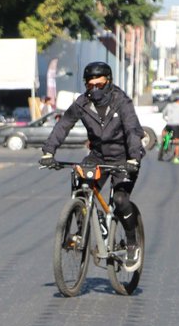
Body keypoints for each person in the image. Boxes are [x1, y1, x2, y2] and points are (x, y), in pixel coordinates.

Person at [39, 60, 145, 269]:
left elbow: (133, 130)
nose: (94, 89)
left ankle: (132, 244)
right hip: (97, 156)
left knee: (121, 200)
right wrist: (49, 151)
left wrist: (134, 158)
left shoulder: (121, 101)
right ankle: (82, 230)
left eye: (99, 84)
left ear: (109, 82)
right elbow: (63, 125)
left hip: (124, 157)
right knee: (80, 186)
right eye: (90, 85)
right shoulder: (82, 103)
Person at [163, 95, 179, 163]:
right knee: (177, 142)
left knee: (164, 132)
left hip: (169, 124)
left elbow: (164, 114)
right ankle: (176, 158)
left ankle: (166, 142)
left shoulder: (169, 106)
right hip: (177, 126)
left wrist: (166, 120)